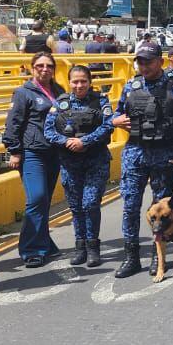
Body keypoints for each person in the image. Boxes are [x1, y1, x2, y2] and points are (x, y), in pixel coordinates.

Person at [110, 42, 173, 278]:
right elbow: (117, 113)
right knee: (130, 206)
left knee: (161, 208)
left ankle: (156, 257)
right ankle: (131, 257)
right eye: (140, 61)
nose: (143, 66)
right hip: (135, 153)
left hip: (164, 153)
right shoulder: (131, 85)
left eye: (148, 61)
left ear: (161, 61)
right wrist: (115, 121)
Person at [43, 64, 113, 267]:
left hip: (96, 161)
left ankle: (93, 248)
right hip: (70, 163)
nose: (79, 85)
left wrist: (86, 141)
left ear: (90, 82)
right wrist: (66, 142)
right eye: (75, 81)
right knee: (75, 207)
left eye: (83, 81)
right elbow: (48, 131)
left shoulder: (100, 101)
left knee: (90, 204)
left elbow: (108, 126)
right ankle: (80, 247)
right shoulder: (61, 103)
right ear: (69, 82)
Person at [3, 51, 65, 268]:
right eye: (40, 65)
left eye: (49, 65)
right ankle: (31, 249)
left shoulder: (59, 91)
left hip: (53, 151)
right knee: (36, 198)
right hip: (32, 152)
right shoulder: (23, 93)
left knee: (44, 200)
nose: (44, 69)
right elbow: (13, 123)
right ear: (32, 68)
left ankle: (44, 243)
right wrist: (15, 151)